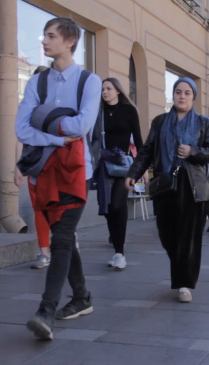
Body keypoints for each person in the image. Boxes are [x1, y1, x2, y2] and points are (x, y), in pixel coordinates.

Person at [16, 17, 102, 340]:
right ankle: (81, 298)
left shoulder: (89, 82)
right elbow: (21, 128)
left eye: (51, 36)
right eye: (44, 36)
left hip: (76, 172)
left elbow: (81, 127)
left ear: (69, 41)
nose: (44, 41)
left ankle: (46, 311)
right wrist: (55, 136)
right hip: (43, 170)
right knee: (63, 236)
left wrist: (45, 120)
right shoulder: (37, 83)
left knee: (62, 238)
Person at [125, 77, 209, 303]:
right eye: (178, 92)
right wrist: (133, 173)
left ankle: (184, 283)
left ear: (193, 97)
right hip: (165, 183)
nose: (182, 96)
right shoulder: (160, 122)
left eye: (187, 93)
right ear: (173, 95)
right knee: (167, 234)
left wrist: (193, 151)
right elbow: (147, 151)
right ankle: (180, 268)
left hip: (192, 185)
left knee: (189, 236)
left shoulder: (203, 123)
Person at [95, 78, 143, 270]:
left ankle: (120, 253)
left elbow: (139, 140)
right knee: (107, 207)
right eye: (102, 89)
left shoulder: (129, 111)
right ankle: (116, 245)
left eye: (108, 88)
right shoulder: (99, 114)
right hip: (104, 165)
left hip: (124, 165)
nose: (105, 92)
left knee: (117, 204)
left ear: (117, 91)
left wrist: (143, 167)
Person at [15, 65, 51, 270]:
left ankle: (68, 241)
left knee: (61, 208)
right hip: (36, 164)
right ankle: (44, 252)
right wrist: (18, 167)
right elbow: (19, 137)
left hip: (58, 164)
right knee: (39, 208)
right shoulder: (26, 107)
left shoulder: (60, 106)